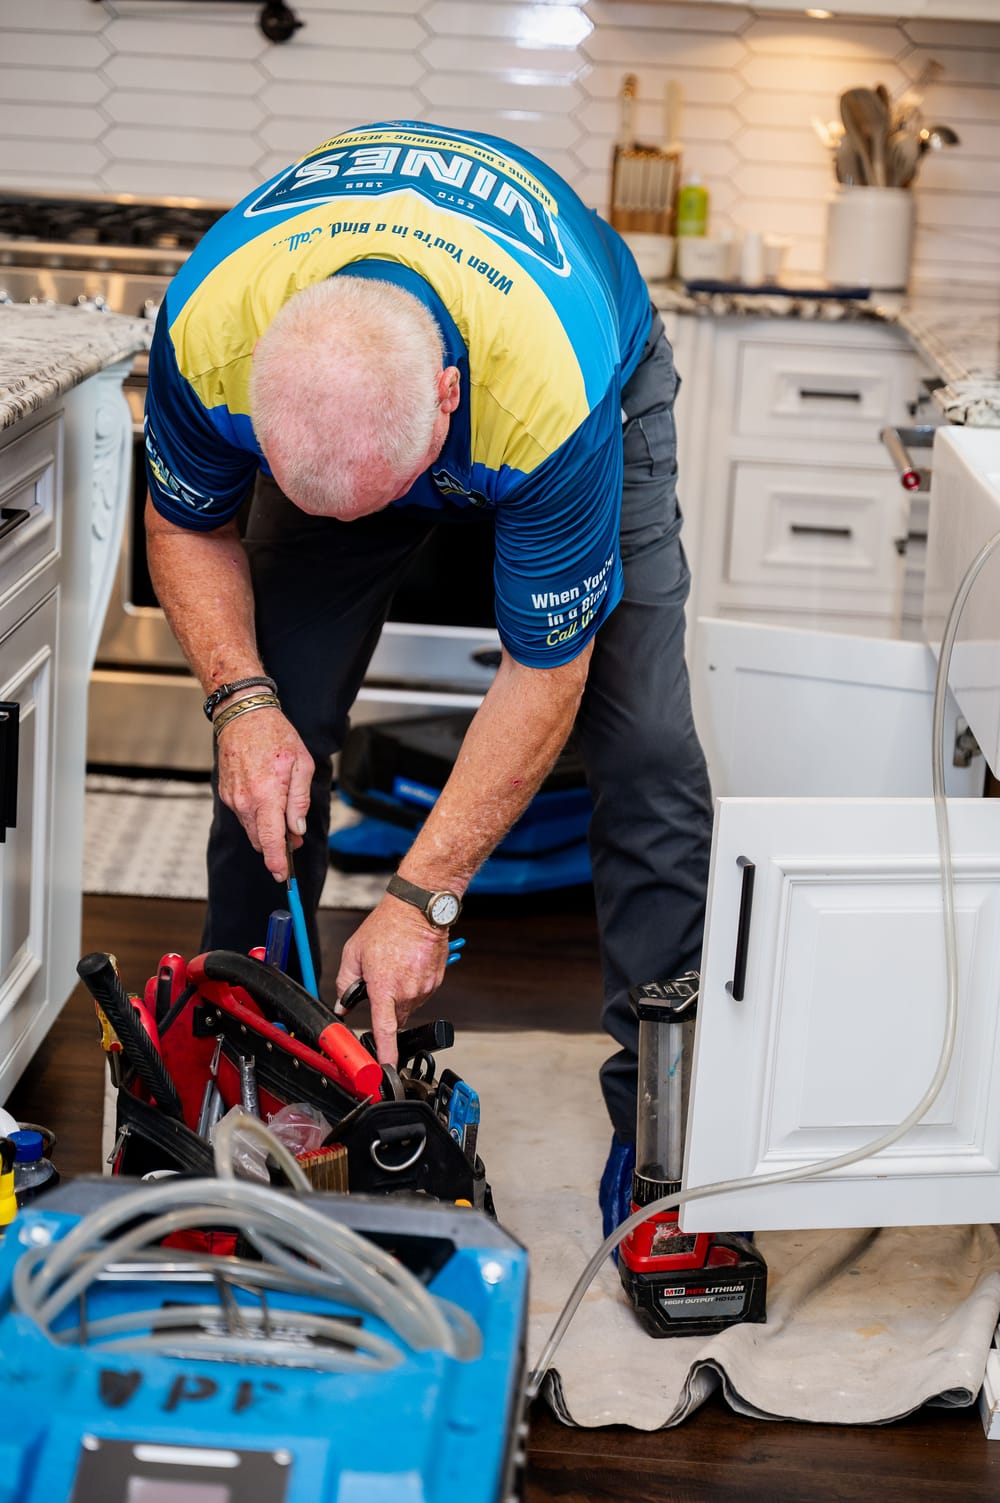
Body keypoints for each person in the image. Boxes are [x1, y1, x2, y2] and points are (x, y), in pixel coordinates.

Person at [144, 121, 714, 1226]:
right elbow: (185, 523)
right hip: (359, 421)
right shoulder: (210, 326)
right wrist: (241, 701)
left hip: (575, 386)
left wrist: (422, 896)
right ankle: (257, 1064)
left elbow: (545, 673)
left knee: (643, 743)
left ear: (449, 399)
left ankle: (664, 1131)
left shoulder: (546, 397)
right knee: (274, 736)